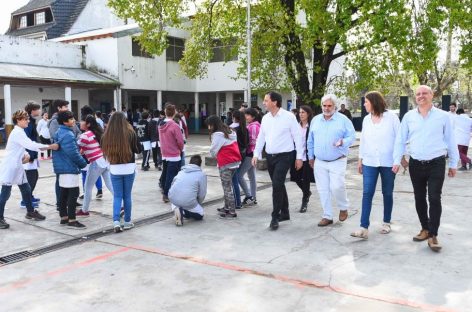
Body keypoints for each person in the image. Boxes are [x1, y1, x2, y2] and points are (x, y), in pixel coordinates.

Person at [393, 85, 459, 252]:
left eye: (424, 93)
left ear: (432, 95)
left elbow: (451, 140)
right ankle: (425, 228)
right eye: (418, 94)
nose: (421, 96)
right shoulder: (408, 117)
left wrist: (453, 163)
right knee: (419, 198)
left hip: (436, 163)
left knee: (435, 197)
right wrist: (396, 160)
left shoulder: (443, 117)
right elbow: (400, 140)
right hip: (416, 163)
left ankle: (433, 235)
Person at [351, 91, 400, 239]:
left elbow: (399, 139)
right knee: (367, 193)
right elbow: (364, 141)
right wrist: (360, 160)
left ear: (374, 102)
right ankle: (363, 227)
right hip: (369, 162)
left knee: (387, 192)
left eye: (366, 102)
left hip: (388, 162)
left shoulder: (392, 118)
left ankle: (386, 222)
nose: (364, 104)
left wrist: (398, 160)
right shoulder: (366, 119)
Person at [252, 91, 303, 230]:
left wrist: (299, 157)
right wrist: (256, 154)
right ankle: (285, 213)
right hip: (270, 156)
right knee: (279, 184)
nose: (264, 103)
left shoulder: (289, 117)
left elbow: (298, 137)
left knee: (276, 184)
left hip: (285, 156)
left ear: (275, 102)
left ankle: (275, 216)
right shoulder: (266, 118)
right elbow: (261, 137)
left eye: (266, 100)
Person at [0, 110, 57, 229]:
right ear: (18, 120)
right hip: (10, 166)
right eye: (25, 119)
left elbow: (21, 146)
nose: (28, 120)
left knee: (26, 189)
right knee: (5, 193)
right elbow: (30, 144)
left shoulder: (20, 131)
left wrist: (26, 154)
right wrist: (48, 146)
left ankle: (30, 212)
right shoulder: (17, 132)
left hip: (17, 165)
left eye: (27, 118)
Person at [307, 94, 356, 227]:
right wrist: (310, 157)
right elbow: (310, 140)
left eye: (329, 106)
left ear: (335, 106)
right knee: (323, 189)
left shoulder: (343, 120)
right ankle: (327, 216)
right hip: (320, 161)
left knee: (337, 186)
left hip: (337, 160)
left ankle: (343, 207)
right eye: (324, 105)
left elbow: (352, 136)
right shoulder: (315, 120)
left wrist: (343, 141)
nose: (327, 108)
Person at [102, 112, 141, 233]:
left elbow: (104, 151)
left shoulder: (106, 135)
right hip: (129, 167)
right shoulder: (130, 133)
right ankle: (128, 222)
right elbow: (138, 149)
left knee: (117, 196)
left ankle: (116, 222)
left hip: (114, 168)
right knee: (127, 196)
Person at [52, 111, 87, 229]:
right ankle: (72, 220)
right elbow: (73, 153)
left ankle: (64, 217)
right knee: (73, 193)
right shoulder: (68, 134)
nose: (73, 121)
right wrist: (83, 163)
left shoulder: (59, 132)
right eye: (71, 119)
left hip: (61, 168)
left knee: (64, 193)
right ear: (64, 122)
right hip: (69, 167)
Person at [77, 115, 114, 217]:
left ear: (88, 124)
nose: (80, 123)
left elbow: (75, 147)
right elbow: (85, 148)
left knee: (88, 187)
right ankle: (122, 205)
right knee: (110, 185)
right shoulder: (97, 132)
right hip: (105, 161)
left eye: (82, 121)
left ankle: (84, 210)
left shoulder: (85, 135)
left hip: (96, 163)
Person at [208, 115, 241, 218]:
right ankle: (226, 207)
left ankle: (231, 211)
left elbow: (213, 150)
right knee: (227, 186)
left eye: (209, 125)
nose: (208, 127)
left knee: (227, 187)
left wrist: (213, 155)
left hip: (225, 163)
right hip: (234, 162)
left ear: (213, 124)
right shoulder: (230, 131)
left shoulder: (218, 134)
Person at [169, 155, 207, 226]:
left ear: (190, 162)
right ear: (200, 164)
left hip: (173, 199)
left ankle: (178, 209)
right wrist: (198, 203)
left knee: (180, 200)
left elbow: (172, 184)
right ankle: (183, 212)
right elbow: (202, 193)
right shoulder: (201, 175)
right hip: (188, 201)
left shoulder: (181, 171)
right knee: (200, 215)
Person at [290, 105, 315, 213]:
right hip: (296, 155)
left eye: (303, 112)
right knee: (294, 177)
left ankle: (304, 201)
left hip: (308, 156)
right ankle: (307, 192)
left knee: (306, 179)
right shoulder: (296, 126)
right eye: (299, 112)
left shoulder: (312, 126)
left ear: (308, 114)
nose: (300, 114)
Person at [159, 104, 185, 203]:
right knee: (171, 175)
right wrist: (180, 149)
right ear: (174, 112)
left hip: (164, 153)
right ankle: (166, 194)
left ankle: (163, 189)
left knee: (165, 173)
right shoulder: (175, 125)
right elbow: (180, 141)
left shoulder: (160, 124)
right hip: (174, 154)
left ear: (165, 112)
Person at [22, 101, 42, 209]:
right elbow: (26, 140)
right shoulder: (28, 122)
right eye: (38, 109)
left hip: (32, 153)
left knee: (34, 176)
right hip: (29, 155)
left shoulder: (31, 121)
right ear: (32, 110)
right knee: (31, 178)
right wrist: (29, 155)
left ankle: (29, 196)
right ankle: (25, 200)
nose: (39, 111)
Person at [238, 108, 260, 206]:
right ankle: (253, 198)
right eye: (245, 115)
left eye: (248, 115)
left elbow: (254, 141)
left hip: (251, 154)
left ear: (253, 117)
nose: (246, 117)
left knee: (239, 176)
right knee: (252, 177)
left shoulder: (253, 126)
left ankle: (249, 196)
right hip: (253, 154)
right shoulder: (253, 125)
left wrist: (245, 144)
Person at [230, 110, 249, 209]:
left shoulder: (232, 128)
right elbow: (247, 143)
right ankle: (238, 201)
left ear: (234, 117)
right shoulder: (245, 128)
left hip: (234, 155)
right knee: (236, 177)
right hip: (243, 154)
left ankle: (237, 202)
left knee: (234, 179)